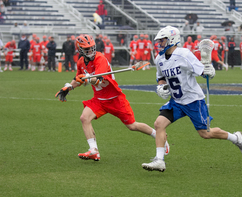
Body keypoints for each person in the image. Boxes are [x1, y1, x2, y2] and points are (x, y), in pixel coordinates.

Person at [141, 26, 242, 172]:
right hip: (176, 101)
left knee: (206, 133)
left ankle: (235, 138)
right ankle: (159, 160)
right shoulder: (159, 59)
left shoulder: (184, 54)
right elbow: (161, 77)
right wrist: (161, 87)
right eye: (159, 41)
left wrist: (209, 71)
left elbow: (203, 71)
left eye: (162, 40)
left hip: (193, 100)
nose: (160, 44)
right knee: (159, 124)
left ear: (172, 40)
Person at [55, 34, 170, 162]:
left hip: (115, 99)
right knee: (84, 118)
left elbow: (98, 80)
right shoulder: (81, 62)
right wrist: (69, 87)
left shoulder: (100, 59)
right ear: (80, 50)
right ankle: (94, 151)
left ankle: (158, 136)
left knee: (132, 126)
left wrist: (86, 79)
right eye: (87, 49)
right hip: (99, 99)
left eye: (92, 48)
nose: (91, 51)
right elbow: (77, 79)